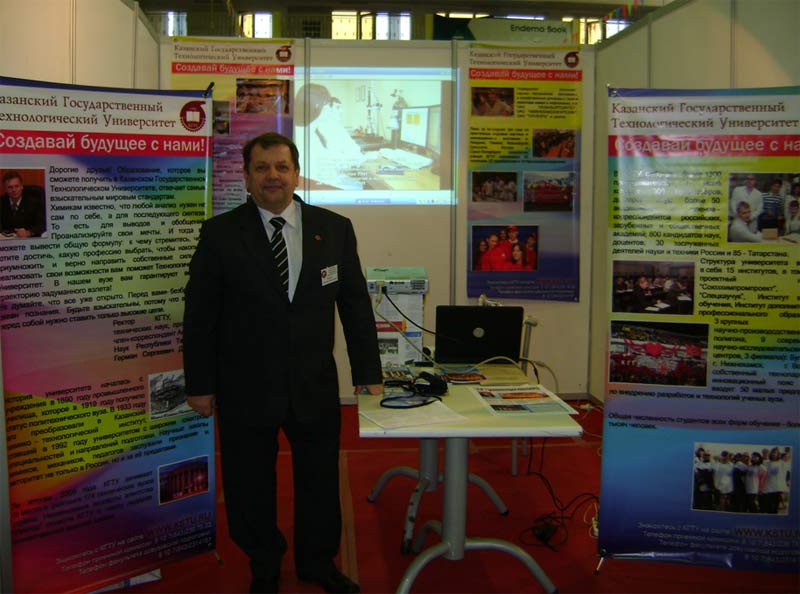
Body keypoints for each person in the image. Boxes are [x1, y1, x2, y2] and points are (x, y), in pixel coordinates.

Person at [182, 132, 382, 594]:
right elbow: (200, 315)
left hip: (313, 383)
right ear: (246, 177)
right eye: (261, 168)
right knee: (249, 484)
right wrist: (200, 384)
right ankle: (264, 564)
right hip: (244, 386)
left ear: (296, 173)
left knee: (319, 479)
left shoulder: (334, 228)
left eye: (281, 167)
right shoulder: (220, 234)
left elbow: (355, 305)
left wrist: (368, 373)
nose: (272, 176)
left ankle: (317, 562)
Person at [294, 83, 366, 190]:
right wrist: (357, 159)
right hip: (321, 187)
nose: (330, 109)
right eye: (328, 104)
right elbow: (329, 164)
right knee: (362, 186)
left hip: (323, 183)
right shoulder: (304, 135)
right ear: (317, 105)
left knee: (359, 184)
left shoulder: (313, 129)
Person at [1, 171, 46, 237]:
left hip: (28, 239)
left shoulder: (34, 203)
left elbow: (43, 225)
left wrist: (28, 232)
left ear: (22, 186)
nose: (14, 190)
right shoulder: (2, 202)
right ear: (5, 189)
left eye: (16, 186)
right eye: (10, 187)